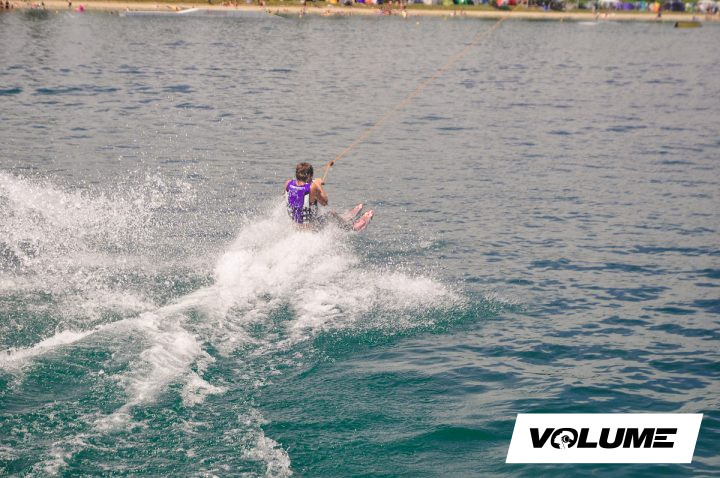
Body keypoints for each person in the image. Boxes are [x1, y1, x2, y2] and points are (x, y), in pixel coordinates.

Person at [285, 162, 328, 226]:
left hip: (294, 225)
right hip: (309, 227)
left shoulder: (288, 183)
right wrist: (318, 184)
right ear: (310, 175)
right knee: (332, 214)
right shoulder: (312, 188)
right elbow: (325, 202)